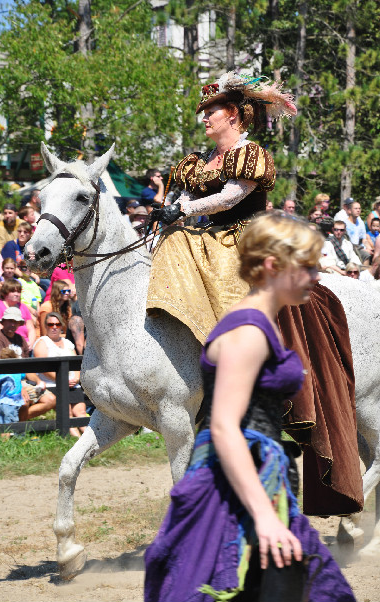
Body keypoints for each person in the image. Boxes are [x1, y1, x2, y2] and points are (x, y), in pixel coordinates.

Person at [146, 71, 363, 518]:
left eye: (211, 110)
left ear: (234, 114)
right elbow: (188, 195)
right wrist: (167, 214)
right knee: (169, 245)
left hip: (247, 241)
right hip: (206, 237)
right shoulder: (197, 159)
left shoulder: (251, 155)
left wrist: (183, 208)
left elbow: (229, 197)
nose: (204, 117)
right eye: (203, 110)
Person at [144, 213, 356, 602]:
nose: (316, 275)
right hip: (240, 481)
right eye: (307, 265)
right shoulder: (249, 330)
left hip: (259, 474)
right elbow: (225, 426)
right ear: (274, 266)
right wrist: (263, 516)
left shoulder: (261, 323)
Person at [33, 312, 87, 438]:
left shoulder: (68, 343)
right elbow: (43, 368)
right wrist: (62, 379)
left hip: (72, 383)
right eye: (50, 324)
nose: (54, 327)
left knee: (80, 411)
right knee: (67, 411)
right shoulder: (42, 342)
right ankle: (75, 438)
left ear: (62, 326)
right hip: (54, 383)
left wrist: (77, 377)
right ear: (45, 326)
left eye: (57, 324)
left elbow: (75, 363)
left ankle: (88, 436)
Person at [0, 279, 36, 346]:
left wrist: (30, 343)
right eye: (13, 291)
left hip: (25, 345)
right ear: (5, 293)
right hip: (5, 345)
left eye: (18, 292)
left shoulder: (23, 307)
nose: (16, 294)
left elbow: (31, 328)